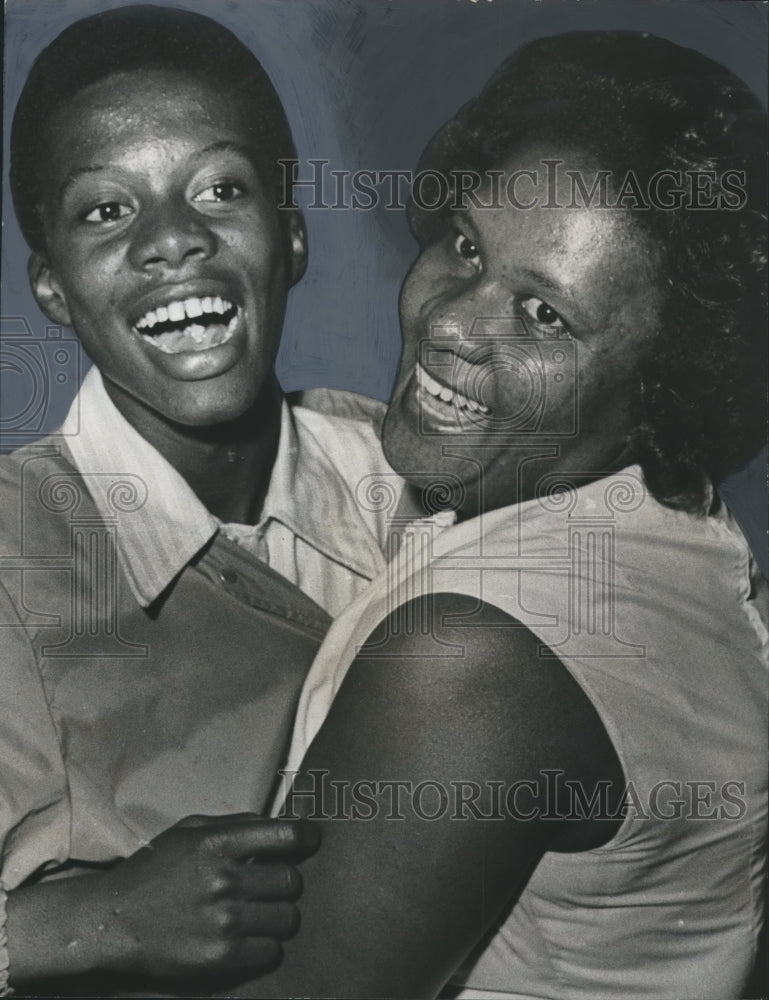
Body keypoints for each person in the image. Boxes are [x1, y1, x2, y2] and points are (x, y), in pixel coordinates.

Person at [230, 31, 769, 999]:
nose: (447, 321)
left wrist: (43, 933)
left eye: (543, 316)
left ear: (658, 391)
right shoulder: (677, 539)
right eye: (466, 246)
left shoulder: (476, 657)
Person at [0, 5, 401, 994]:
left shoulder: (409, 474)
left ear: (291, 236)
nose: (173, 240)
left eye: (221, 187)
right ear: (51, 287)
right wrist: (84, 920)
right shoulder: (13, 547)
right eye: (106, 209)